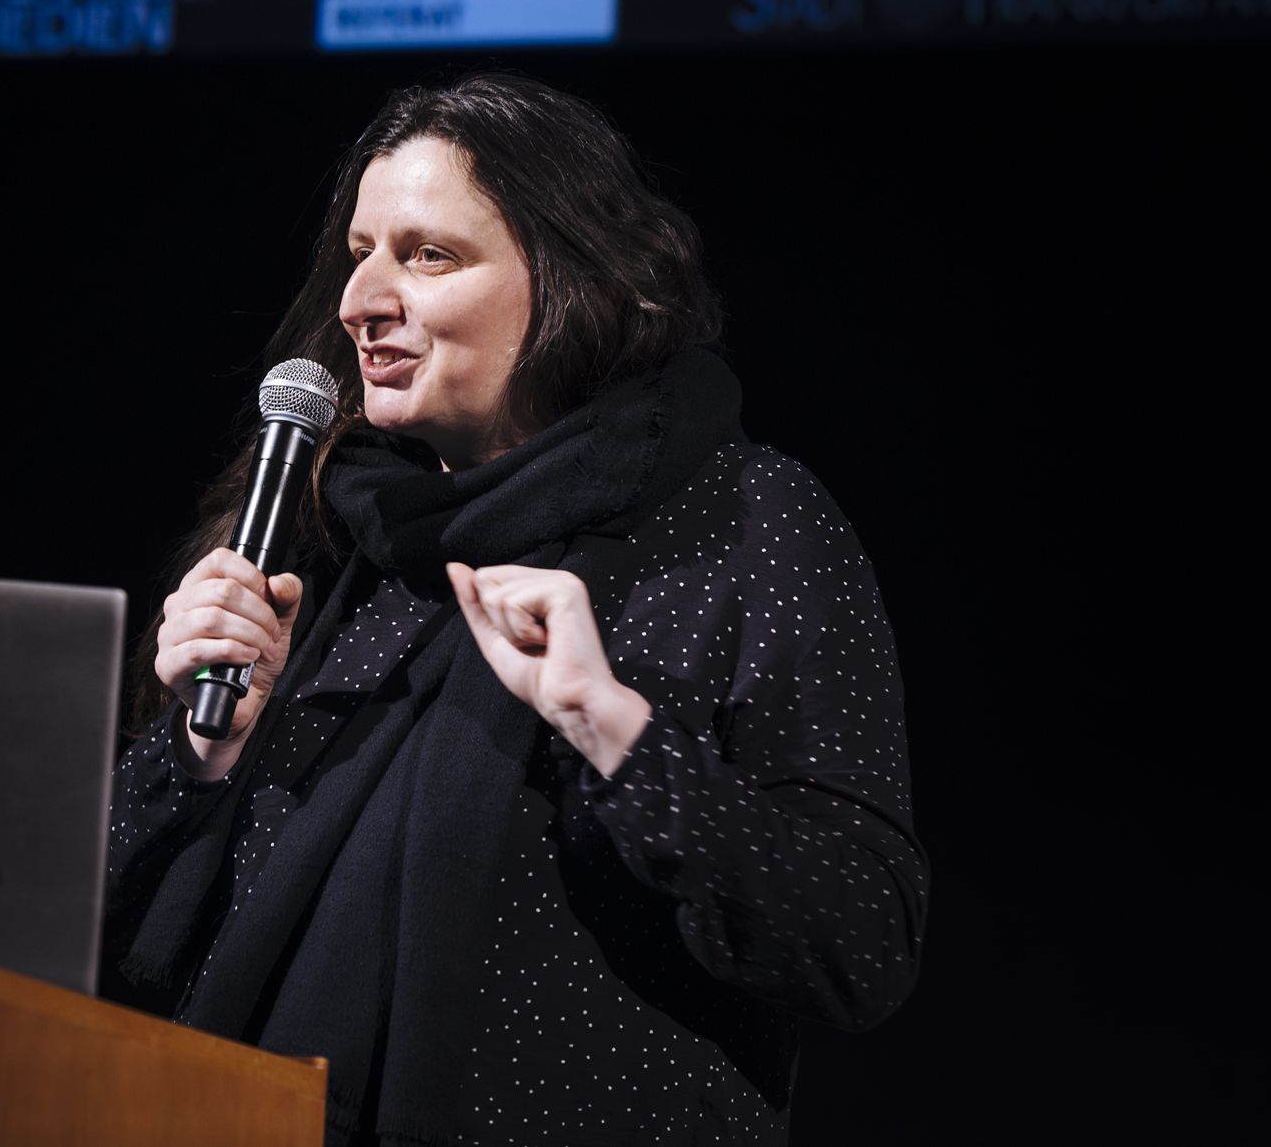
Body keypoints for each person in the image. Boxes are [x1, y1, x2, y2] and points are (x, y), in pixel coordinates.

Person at [100, 74, 928, 1147]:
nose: (360, 301)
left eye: (428, 255)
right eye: (359, 253)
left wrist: (613, 732)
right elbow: (103, 937)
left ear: (579, 280)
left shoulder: (743, 521)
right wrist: (200, 759)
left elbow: (862, 944)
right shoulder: (331, 541)